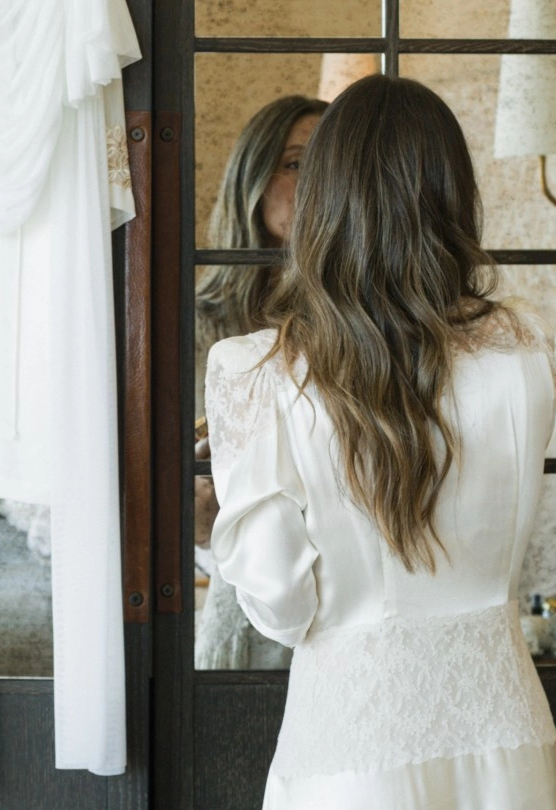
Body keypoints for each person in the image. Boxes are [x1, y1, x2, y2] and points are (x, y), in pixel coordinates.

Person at [204, 75, 556, 807]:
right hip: (506, 731)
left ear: (326, 197)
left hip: (350, 740)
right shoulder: (524, 347)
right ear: (453, 191)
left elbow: (280, 608)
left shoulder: (255, 371)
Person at [194, 95, 327, 670]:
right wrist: (203, 529)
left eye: (329, 163)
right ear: (252, 178)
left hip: (354, 602)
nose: (315, 181)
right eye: (296, 163)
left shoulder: (359, 326)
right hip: (244, 609)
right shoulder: (194, 330)